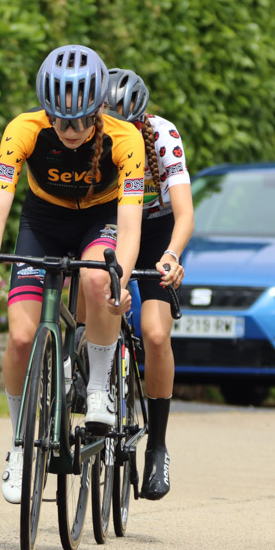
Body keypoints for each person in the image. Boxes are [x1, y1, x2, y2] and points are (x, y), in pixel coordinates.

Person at [0, 44, 145, 504]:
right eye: (60, 120)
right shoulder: (23, 129)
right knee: (20, 339)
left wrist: (121, 278)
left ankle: (99, 387)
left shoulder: (126, 138)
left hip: (99, 220)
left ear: (99, 109)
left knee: (98, 279)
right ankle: (18, 444)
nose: (69, 131)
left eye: (81, 120)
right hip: (43, 223)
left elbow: (130, 225)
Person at [102, 68, 192, 500]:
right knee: (92, 283)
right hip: (110, 221)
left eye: (129, 124)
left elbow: (185, 212)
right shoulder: (86, 132)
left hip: (156, 227)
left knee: (155, 334)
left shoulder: (162, 135)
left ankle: (157, 443)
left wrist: (171, 255)